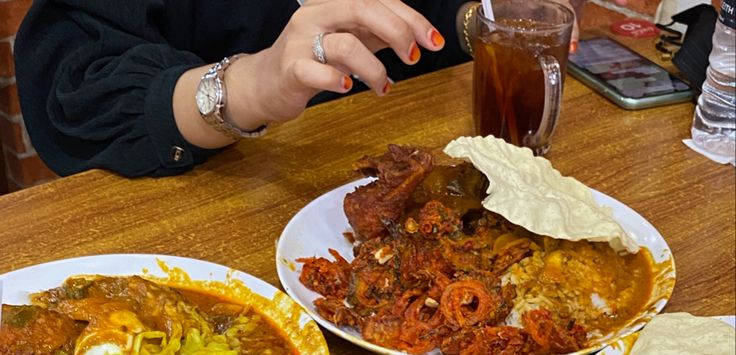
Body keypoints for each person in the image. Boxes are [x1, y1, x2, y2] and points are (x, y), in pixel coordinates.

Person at [15, 0, 595, 180]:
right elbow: (79, 95)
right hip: (214, 218)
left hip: (439, 173)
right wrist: (253, 87)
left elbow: (450, 13)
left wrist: (482, 21)